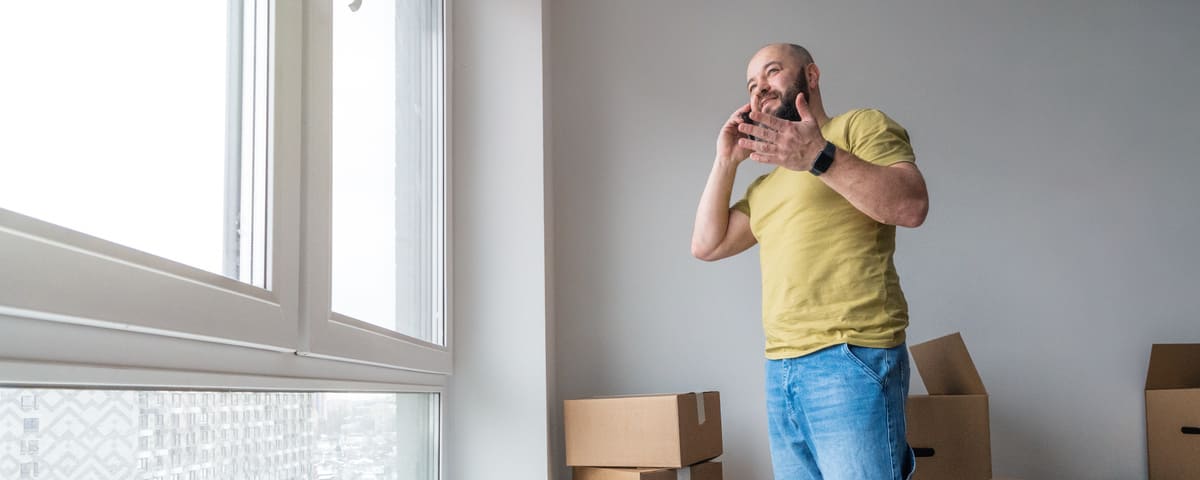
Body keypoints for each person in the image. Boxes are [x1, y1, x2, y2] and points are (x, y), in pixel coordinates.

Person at [691, 43, 929, 480]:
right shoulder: (767, 185)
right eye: (752, 85)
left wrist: (819, 155)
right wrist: (725, 160)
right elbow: (707, 244)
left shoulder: (859, 126)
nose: (760, 88)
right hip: (781, 370)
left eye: (773, 72)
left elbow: (911, 205)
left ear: (811, 76)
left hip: (850, 358)